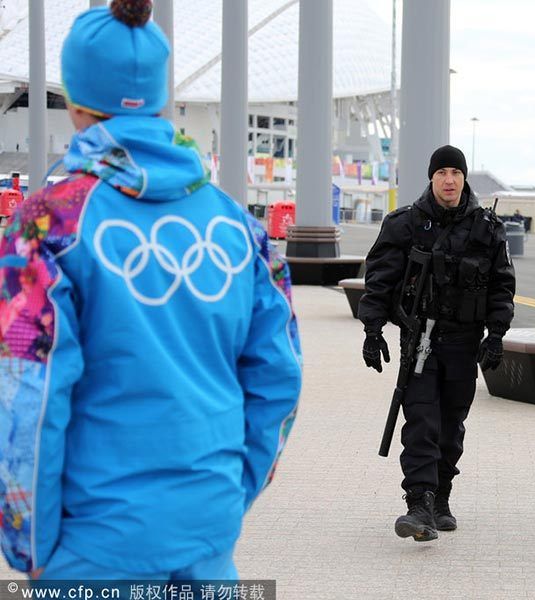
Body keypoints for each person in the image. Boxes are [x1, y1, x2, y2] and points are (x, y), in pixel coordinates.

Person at [0, 0, 302, 580]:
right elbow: (279, 377)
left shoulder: (48, 224)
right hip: (207, 536)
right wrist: (227, 494)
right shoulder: (239, 228)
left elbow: (27, 395)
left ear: (77, 99)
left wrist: (30, 545)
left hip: (93, 544)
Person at [359, 145, 515, 542]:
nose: (449, 180)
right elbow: (380, 280)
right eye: (442, 172)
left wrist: (496, 335)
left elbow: (502, 287)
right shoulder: (405, 224)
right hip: (419, 338)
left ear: (464, 179)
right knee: (421, 422)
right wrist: (372, 330)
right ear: (431, 178)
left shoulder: (487, 227)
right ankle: (419, 502)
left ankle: (441, 494)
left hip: (463, 343)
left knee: (451, 425)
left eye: (456, 173)